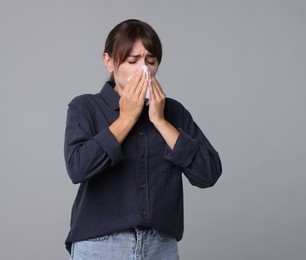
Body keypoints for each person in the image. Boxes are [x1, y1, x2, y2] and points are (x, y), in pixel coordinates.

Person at [64, 19, 222, 259]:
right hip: (100, 246)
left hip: (160, 246)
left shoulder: (174, 112)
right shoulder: (85, 107)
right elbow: (77, 168)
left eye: (150, 61)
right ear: (109, 62)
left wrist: (160, 121)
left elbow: (208, 173)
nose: (144, 70)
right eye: (132, 61)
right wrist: (126, 119)